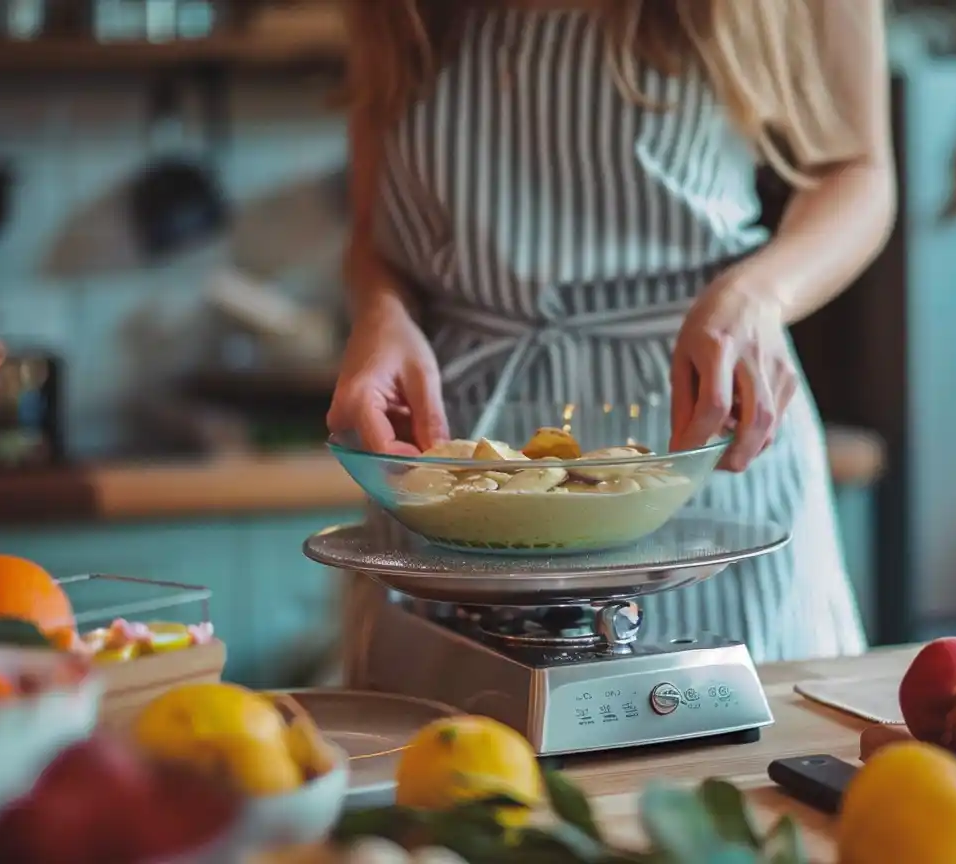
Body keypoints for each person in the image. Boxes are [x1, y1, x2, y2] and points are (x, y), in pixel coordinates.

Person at [328, 0, 896, 676]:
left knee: (736, 769)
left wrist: (758, 296)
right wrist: (382, 312)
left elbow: (857, 170)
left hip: (699, 438)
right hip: (455, 466)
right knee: (464, 766)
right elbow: (375, 235)